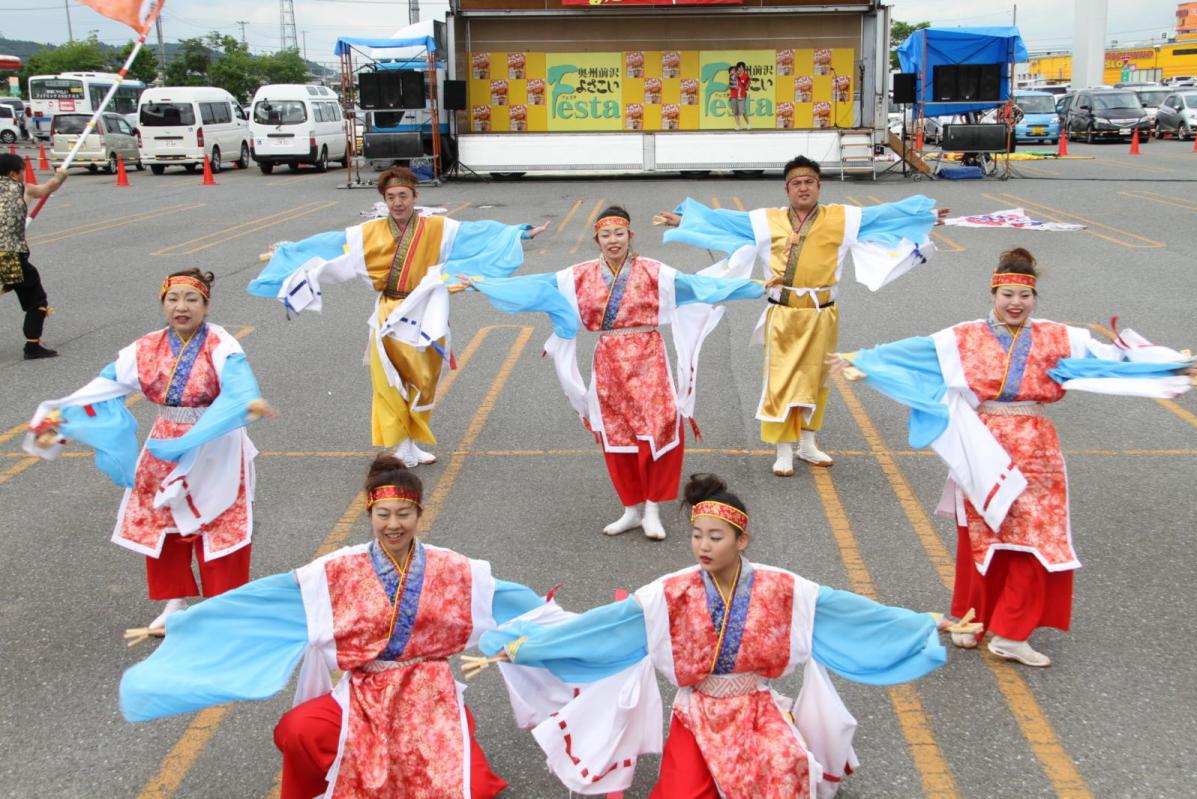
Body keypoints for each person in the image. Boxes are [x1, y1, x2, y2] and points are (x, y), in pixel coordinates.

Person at [827, 248, 1197, 667]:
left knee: (1033, 539)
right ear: (993, 293)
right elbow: (921, 351)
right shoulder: (965, 335)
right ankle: (974, 620)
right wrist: (865, 359)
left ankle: (1011, 631)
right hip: (983, 445)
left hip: (1037, 447)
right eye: (1006, 295)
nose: (1015, 304)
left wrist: (1170, 368)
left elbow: (1110, 361)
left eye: (1024, 297)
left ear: (1035, 297)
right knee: (984, 533)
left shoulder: (1060, 336)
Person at [469, 473, 946, 798]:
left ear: (742, 541)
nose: (703, 545)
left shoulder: (784, 588)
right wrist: (523, 645)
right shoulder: (668, 594)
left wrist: (922, 623)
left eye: (715, 537)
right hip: (698, 712)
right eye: (697, 535)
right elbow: (604, 626)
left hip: (757, 709)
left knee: (784, 771)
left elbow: (850, 613)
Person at [119, 454, 555, 799]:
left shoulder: (455, 570)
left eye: (403, 514)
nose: (393, 525)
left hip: (429, 692)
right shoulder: (337, 570)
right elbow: (263, 601)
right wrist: (189, 621)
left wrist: (587, 629)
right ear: (369, 513)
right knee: (299, 731)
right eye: (382, 514)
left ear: (419, 513)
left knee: (468, 789)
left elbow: (520, 605)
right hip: (364, 693)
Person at [462, 206, 763, 540]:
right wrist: (479, 284)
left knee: (659, 428)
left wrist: (753, 287)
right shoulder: (578, 275)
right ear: (597, 239)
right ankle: (631, 508)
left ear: (630, 236)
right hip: (608, 360)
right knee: (617, 435)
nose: (613, 240)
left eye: (619, 233)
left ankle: (652, 508)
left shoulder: (654, 271)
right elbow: (536, 286)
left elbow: (699, 287)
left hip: (648, 358)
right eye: (606, 235)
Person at [657, 155, 947, 475]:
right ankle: (783, 450)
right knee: (780, 381)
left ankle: (808, 444)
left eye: (809, 182)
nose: (803, 188)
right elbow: (726, 221)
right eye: (797, 183)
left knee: (817, 379)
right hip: (784, 313)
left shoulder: (842, 218)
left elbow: (883, 217)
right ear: (787, 189)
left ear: (819, 186)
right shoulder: (767, 221)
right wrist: (686, 221)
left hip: (823, 314)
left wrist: (923, 217)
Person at [24, 269, 274, 631]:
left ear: (206, 305)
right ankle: (175, 603)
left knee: (219, 523)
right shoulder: (146, 347)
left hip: (215, 444)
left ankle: (225, 607)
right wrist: (58, 416)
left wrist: (250, 400)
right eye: (173, 300)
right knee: (164, 522)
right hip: (165, 442)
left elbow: (238, 380)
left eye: (191, 299)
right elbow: (105, 383)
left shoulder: (222, 344)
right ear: (163, 304)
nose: (181, 307)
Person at [249, 166, 548, 467]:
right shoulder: (367, 234)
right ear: (384, 201)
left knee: (424, 377)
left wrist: (518, 233)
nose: (397, 203)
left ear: (415, 196)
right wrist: (289, 251)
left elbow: (479, 233)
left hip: (426, 310)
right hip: (390, 312)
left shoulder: (438, 228)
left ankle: (411, 441)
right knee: (390, 380)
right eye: (390, 197)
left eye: (403, 195)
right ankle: (399, 443)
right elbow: (327, 245)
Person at [0, 153, 68, 359]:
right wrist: (61, 176)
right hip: (10, 255)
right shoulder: (22, 188)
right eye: (22, 170)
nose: (24, 174)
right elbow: (47, 188)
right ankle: (32, 345)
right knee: (36, 298)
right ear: (13, 174)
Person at [729, 61, 751, 130]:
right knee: (735, 112)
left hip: (741, 95)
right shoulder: (733, 75)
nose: (740, 68)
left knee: (743, 111)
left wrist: (748, 83)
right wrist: (733, 87)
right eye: (739, 67)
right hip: (733, 95)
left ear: (744, 68)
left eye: (742, 67)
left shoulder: (746, 76)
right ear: (737, 68)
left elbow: (747, 87)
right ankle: (738, 125)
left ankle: (748, 124)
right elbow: (730, 85)